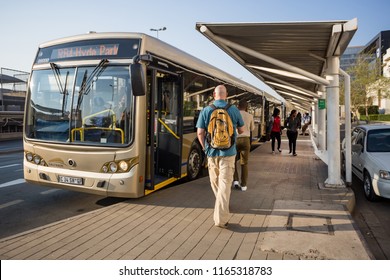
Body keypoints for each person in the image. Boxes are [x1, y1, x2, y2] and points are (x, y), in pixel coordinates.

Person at [196, 85, 244, 229]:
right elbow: (241, 130)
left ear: (214, 94)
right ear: (226, 95)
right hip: (228, 154)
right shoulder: (234, 110)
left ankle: (220, 216)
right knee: (224, 184)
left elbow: (200, 133)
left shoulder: (206, 110)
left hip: (211, 153)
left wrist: (205, 148)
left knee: (216, 183)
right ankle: (222, 212)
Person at [233, 100, 254, 191]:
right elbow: (252, 128)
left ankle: (236, 180)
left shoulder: (234, 114)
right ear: (246, 107)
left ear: (238, 106)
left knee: (233, 161)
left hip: (235, 140)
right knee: (244, 163)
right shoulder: (250, 116)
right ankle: (244, 185)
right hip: (246, 140)